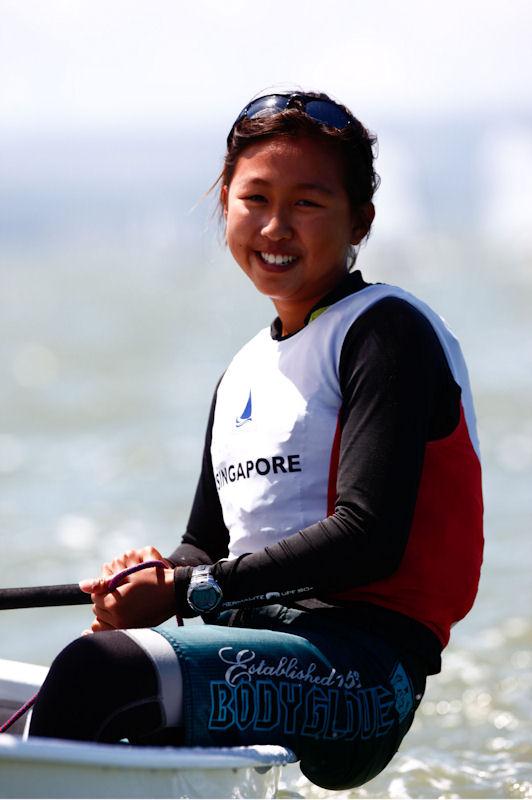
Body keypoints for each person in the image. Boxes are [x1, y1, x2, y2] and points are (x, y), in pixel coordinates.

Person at [29, 91, 484, 790]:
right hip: (256, 635)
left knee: (99, 674)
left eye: (307, 203)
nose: (276, 226)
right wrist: (145, 584)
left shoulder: (387, 333)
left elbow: (369, 535)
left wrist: (192, 590)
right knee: (94, 659)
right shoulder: (242, 370)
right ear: (225, 208)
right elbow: (206, 548)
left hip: (364, 671)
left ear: (359, 220)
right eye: (256, 199)